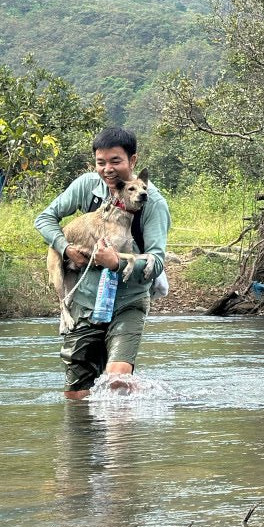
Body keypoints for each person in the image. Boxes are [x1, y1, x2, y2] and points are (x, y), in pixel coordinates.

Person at [35, 127, 171, 398]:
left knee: (116, 383)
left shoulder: (152, 202)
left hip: (128, 301)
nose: (108, 169)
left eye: (116, 162)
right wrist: (66, 249)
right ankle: (86, 438)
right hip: (85, 303)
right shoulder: (87, 186)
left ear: (133, 161)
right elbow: (44, 219)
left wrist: (116, 262)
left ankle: (120, 438)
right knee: (76, 396)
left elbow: (156, 262)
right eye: (101, 163)